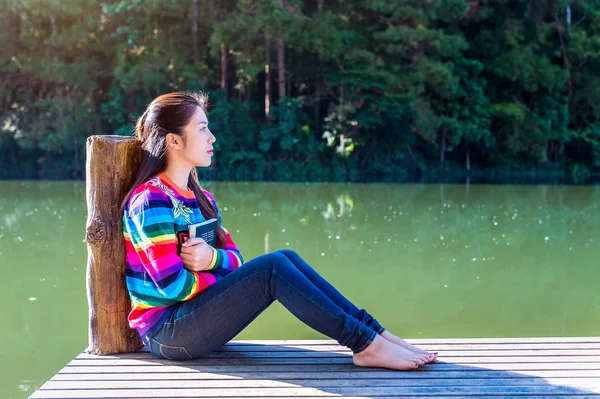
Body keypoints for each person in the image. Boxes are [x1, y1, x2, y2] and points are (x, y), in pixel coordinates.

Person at [120, 92, 438, 370]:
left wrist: (212, 258)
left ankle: (374, 333)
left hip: (194, 318)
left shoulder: (200, 198)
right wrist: (215, 273)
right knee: (272, 269)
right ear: (174, 141)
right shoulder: (152, 200)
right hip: (168, 332)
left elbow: (235, 259)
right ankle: (365, 345)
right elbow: (171, 287)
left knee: (285, 257)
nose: (212, 137)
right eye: (202, 129)